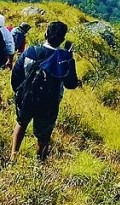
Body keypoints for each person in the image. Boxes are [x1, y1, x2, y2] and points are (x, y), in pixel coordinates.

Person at [10, 20, 79, 161]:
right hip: (49, 103)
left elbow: (16, 74)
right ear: (62, 39)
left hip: (27, 97)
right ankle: (39, 162)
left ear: (45, 34)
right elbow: (70, 84)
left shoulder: (31, 51)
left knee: (21, 123)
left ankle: (13, 156)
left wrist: (19, 92)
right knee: (44, 135)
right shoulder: (65, 60)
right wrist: (69, 59)